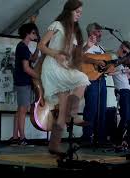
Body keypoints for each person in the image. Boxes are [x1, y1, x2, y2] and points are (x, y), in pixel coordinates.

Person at [38, 0, 91, 155]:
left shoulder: (74, 32)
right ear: (69, 11)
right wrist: (56, 54)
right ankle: (72, 113)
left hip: (64, 67)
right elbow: (41, 45)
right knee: (82, 78)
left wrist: (87, 47)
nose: (80, 15)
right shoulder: (57, 25)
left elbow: (75, 56)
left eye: (81, 12)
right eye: (77, 12)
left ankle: (54, 145)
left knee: (80, 82)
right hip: (53, 66)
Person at [10, 23, 40, 145]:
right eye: (33, 33)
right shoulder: (22, 47)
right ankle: (22, 138)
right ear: (27, 34)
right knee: (23, 110)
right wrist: (40, 77)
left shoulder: (24, 47)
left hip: (22, 81)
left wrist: (38, 46)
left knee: (19, 110)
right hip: (23, 82)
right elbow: (26, 68)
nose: (35, 35)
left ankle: (15, 137)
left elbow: (33, 59)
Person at [82, 22, 110, 145]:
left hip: (102, 80)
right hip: (91, 80)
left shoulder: (102, 48)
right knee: (91, 109)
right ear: (90, 33)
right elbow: (80, 57)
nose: (100, 34)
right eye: (97, 31)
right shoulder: (85, 45)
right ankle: (87, 137)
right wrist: (96, 62)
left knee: (102, 110)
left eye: (100, 31)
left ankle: (100, 137)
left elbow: (107, 64)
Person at [109, 41, 130, 144]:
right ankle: (117, 138)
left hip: (126, 89)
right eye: (123, 51)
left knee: (127, 115)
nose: (124, 54)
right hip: (121, 90)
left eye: (126, 53)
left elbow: (126, 77)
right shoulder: (114, 57)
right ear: (120, 47)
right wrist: (123, 71)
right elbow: (109, 72)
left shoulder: (122, 62)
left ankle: (118, 138)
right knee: (125, 115)